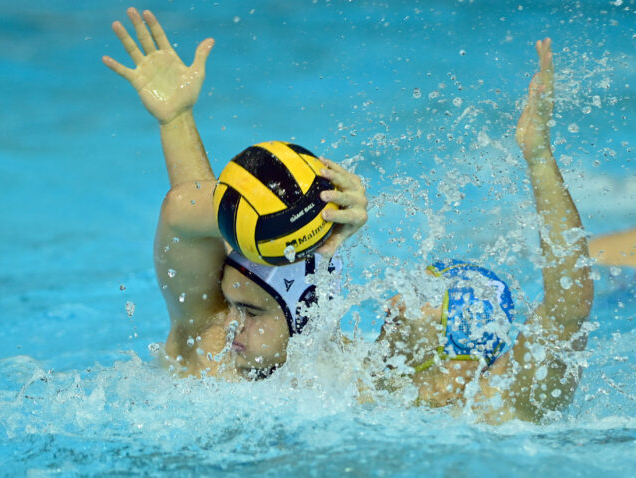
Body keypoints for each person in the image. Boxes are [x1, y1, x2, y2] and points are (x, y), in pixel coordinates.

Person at [103, 8, 368, 379]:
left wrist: (307, 216)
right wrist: (176, 120)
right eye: (229, 303)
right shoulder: (206, 349)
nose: (231, 324)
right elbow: (182, 211)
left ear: (305, 316)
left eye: (252, 311)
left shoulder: (351, 380)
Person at [376, 38, 594, 423]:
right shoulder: (362, 384)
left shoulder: (499, 404)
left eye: (416, 296)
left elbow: (568, 309)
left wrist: (539, 157)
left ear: (458, 335)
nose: (391, 304)